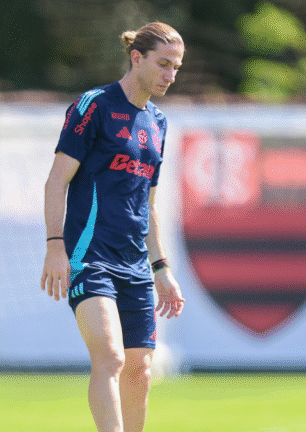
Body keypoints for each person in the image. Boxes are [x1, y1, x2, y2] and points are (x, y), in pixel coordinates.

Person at [40, 22, 185, 432]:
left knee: (139, 369)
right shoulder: (95, 106)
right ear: (136, 58)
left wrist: (162, 269)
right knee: (111, 358)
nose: (170, 75)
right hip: (90, 257)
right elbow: (56, 181)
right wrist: (55, 246)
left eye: (176, 67)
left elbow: (149, 204)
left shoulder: (158, 122)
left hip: (135, 264)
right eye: (163, 64)